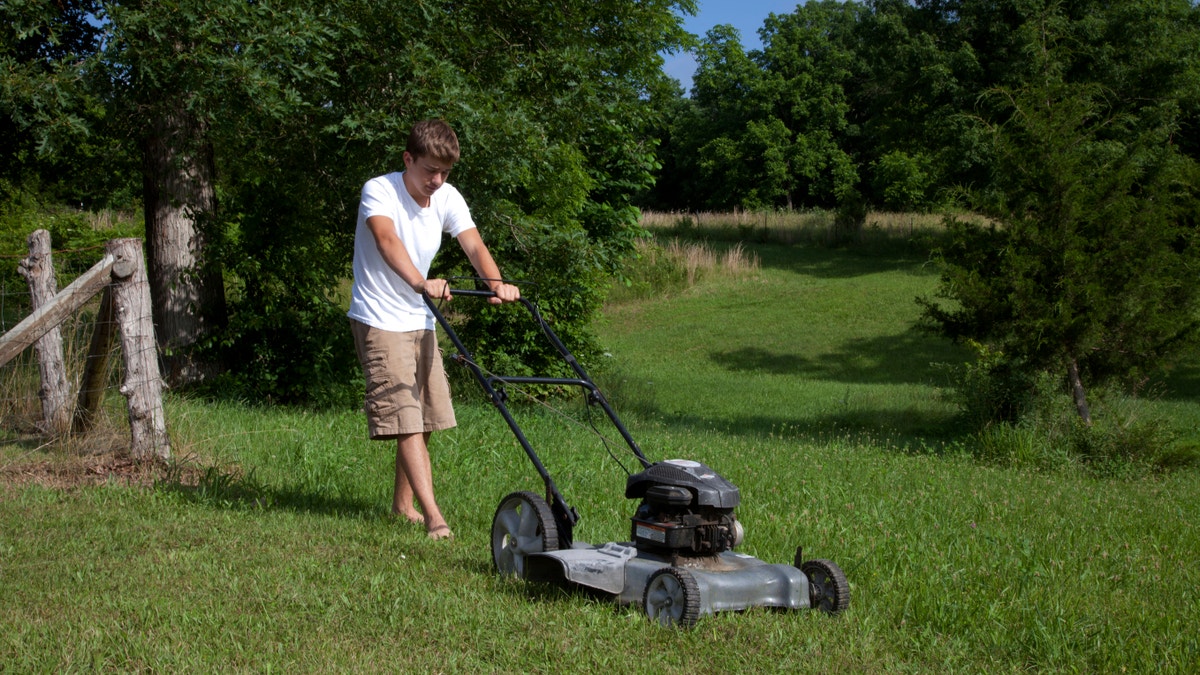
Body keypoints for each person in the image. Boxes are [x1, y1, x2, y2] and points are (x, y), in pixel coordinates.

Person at [348, 119, 520, 540]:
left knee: (424, 418)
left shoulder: (446, 195)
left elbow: (474, 244)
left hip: (420, 319)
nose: (437, 181)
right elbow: (387, 241)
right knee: (405, 418)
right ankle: (434, 517)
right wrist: (420, 282)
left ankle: (401, 506)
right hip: (379, 317)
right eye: (429, 171)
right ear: (408, 159)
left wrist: (496, 283)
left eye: (445, 173)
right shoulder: (380, 191)